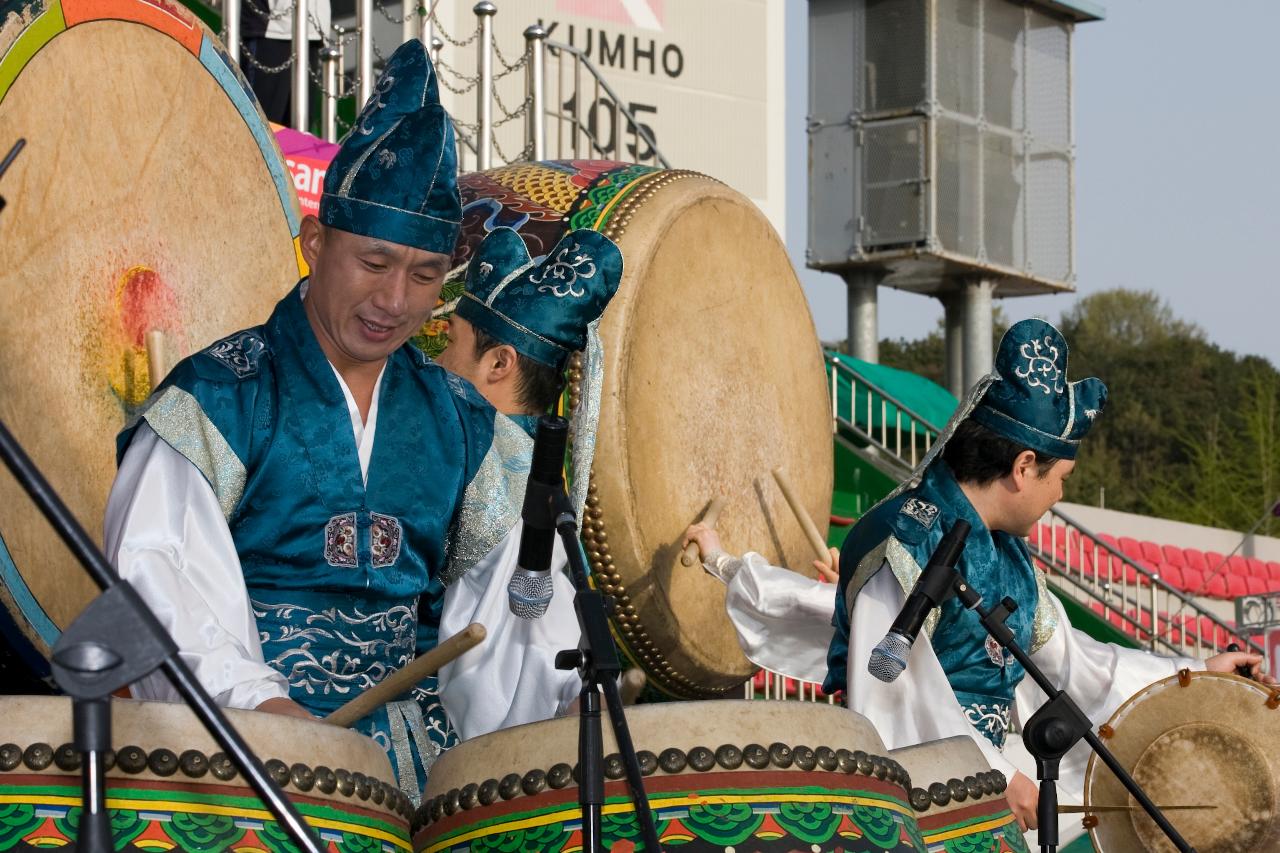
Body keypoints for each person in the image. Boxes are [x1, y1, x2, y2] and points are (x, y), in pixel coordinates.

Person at [104, 42, 513, 799]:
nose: (395, 299)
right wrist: (263, 707)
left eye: (424, 276)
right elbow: (155, 578)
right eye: (374, 263)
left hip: (410, 784)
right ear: (315, 243)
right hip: (243, 761)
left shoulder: (462, 425)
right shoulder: (220, 398)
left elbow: (502, 629)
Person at [684, 319, 1269, 832]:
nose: (1061, 493)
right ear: (1021, 467)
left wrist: (1193, 672)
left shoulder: (1008, 558)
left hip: (978, 795)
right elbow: (896, 697)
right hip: (906, 801)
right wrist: (1002, 776)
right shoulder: (908, 541)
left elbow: (1076, 665)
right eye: (1059, 476)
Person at [432, 225, 623, 740]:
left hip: (456, 762)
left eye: (449, 344)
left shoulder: (471, 466)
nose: (435, 363)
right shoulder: (540, 483)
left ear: (499, 362)